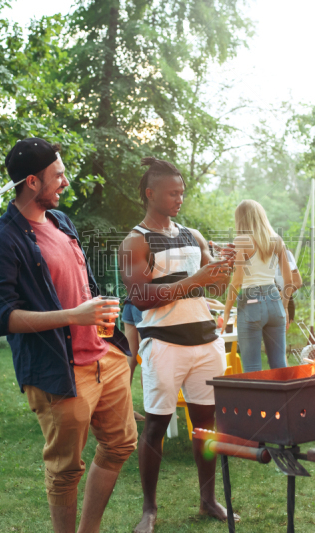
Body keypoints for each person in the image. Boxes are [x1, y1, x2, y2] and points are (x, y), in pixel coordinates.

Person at [0, 138, 137, 533]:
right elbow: (0, 318)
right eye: (58, 175)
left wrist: (98, 306)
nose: (65, 181)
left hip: (105, 358)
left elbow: (76, 280)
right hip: (59, 372)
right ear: (32, 181)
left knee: (121, 444)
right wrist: (73, 315)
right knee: (66, 470)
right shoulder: (1, 241)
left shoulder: (62, 222)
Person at [120, 157, 238, 533]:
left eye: (182, 192)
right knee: (155, 426)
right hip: (164, 345)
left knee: (206, 426)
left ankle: (208, 499)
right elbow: (138, 296)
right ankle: (150, 510)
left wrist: (224, 266)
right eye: (172, 193)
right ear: (150, 193)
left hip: (205, 341)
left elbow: (213, 285)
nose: (179, 198)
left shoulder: (193, 235)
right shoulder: (134, 241)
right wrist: (196, 279)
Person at [222, 200, 295, 372]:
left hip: (251, 303)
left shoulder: (242, 240)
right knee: (280, 366)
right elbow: (289, 280)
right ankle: (285, 399)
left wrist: (226, 311)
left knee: (252, 369)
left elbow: (238, 280)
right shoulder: (276, 240)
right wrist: (284, 307)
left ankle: (259, 400)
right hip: (274, 300)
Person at [121, 300, 146, 421]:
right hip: (145, 304)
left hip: (129, 302)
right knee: (146, 359)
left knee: (130, 360)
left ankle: (124, 410)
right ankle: (154, 413)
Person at [275, 248, 302, 329]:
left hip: (284, 301)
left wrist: (281, 294)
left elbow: (297, 282)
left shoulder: (285, 253)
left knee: (277, 340)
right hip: (262, 304)